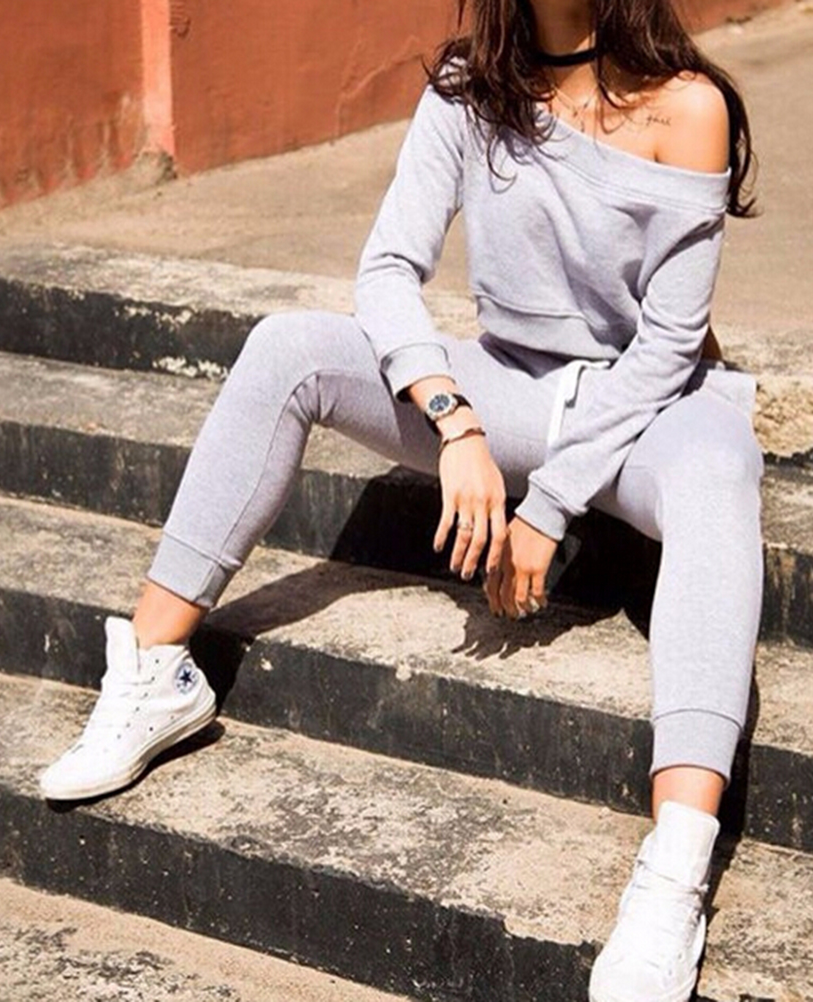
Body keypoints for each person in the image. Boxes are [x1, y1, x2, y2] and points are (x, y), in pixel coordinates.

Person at [40, 0, 763, 999]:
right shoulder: (469, 92)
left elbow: (667, 350)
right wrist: (454, 418)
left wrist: (548, 506)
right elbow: (385, 272)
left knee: (721, 469)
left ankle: (676, 867)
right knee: (289, 348)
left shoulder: (689, 107)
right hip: (506, 389)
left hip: (648, 412)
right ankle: (158, 670)